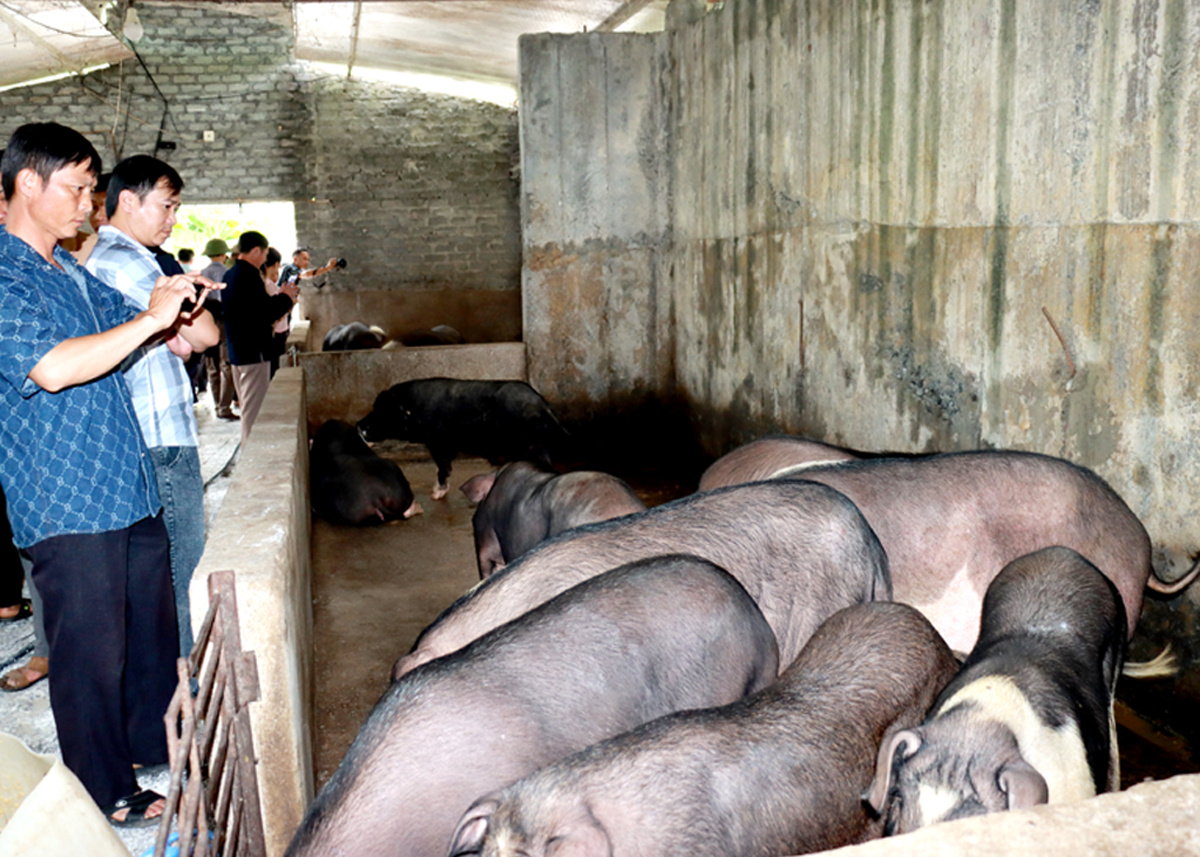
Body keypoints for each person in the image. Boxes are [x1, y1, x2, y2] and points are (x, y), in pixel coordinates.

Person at [0, 122, 217, 826]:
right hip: (65, 496)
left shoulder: (69, 271)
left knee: (143, 636)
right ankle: (101, 787)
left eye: (94, 190)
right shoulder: (4, 274)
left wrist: (176, 306)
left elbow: (138, 331)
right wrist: (150, 318)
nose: (91, 205)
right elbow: (55, 367)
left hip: (126, 486)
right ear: (27, 184)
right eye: (79, 188)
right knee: (89, 652)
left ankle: (147, 750)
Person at [85, 154, 221, 658]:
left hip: (149, 433)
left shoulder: (117, 259)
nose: (172, 219)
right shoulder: (126, 261)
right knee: (181, 568)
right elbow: (205, 334)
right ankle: (186, 679)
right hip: (160, 439)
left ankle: (171, 676)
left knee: (162, 570)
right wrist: (185, 313)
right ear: (128, 201)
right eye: (166, 206)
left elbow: (185, 337)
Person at [222, 230, 298, 444]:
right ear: (256, 251)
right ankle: (252, 456)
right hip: (253, 353)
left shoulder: (232, 274)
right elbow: (264, 313)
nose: (266, 259)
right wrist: (286, 298)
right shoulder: (248, 276)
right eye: (265, 254)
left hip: (239, 351)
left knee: (249, 405)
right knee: (254, 411)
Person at [200, 238, 238, 419]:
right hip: (225, 321)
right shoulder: (228, 273)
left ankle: (216, 404)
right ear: (224, 255)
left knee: (212, 366)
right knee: (227, 365)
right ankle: (225, 406)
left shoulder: (202, 273)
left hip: (206, 320)